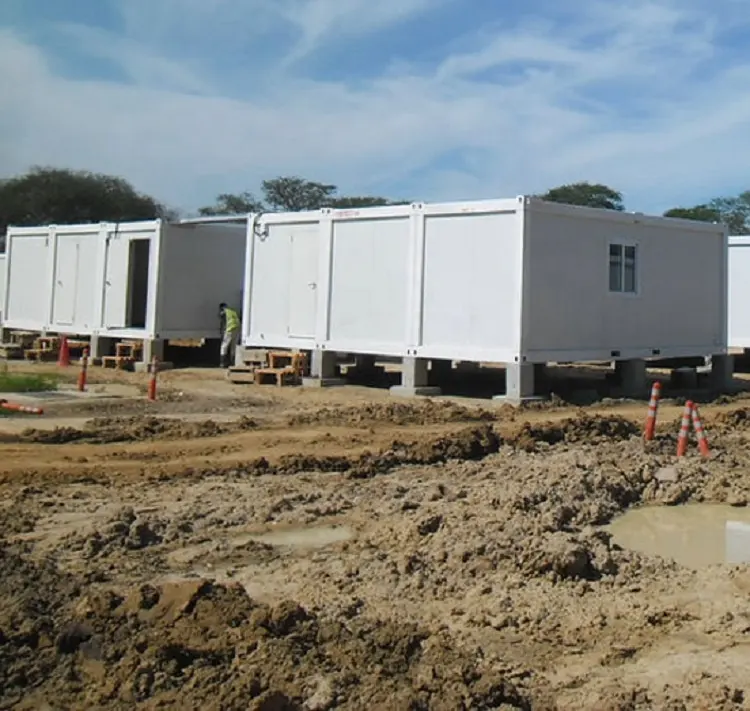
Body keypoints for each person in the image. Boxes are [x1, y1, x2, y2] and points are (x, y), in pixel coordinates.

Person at [218, 302, 240, 368]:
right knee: (233, 346)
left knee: (224, 346)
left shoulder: (224, 312)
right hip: (237, 330)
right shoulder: (233, 311)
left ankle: (222, 363)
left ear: (222, 307)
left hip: (229, 330)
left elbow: (223, 323)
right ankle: (232, 362)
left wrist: (222, 332)